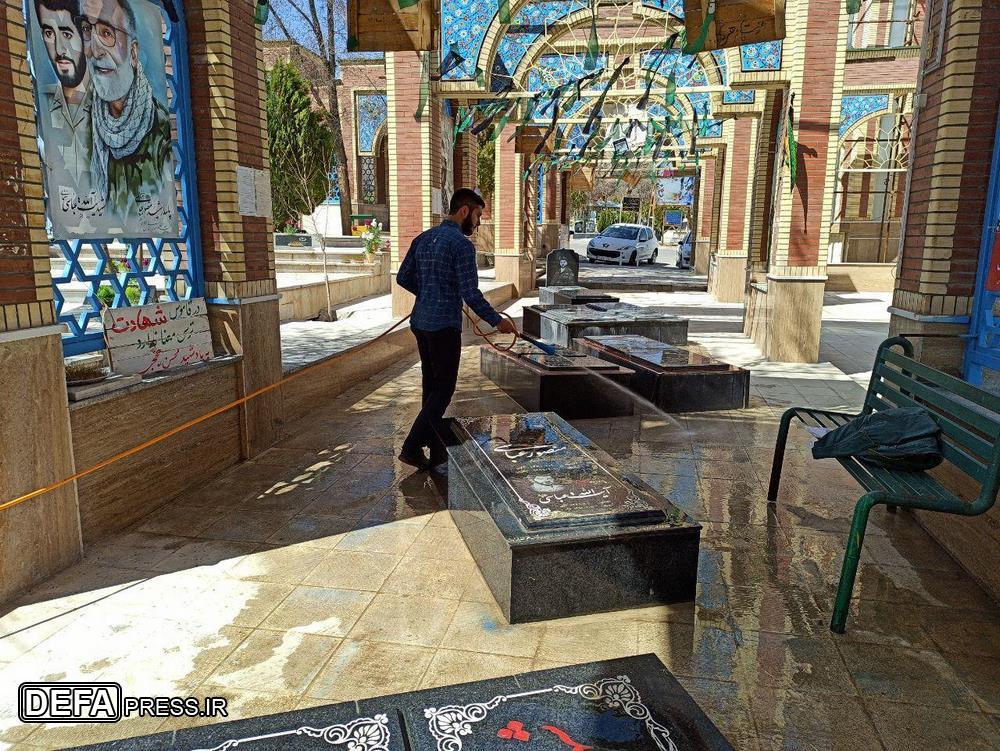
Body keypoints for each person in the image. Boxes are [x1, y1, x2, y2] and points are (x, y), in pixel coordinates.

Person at [396, 189, 518, 473]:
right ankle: (412, 446)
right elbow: (470, 293)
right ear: (464, 211)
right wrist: (497, 321)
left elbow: (403, 277)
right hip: (443, 327)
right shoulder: (461, 246)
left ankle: (433, 446)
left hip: (421, 323)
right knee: (444, 389)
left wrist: (428, 293)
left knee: (431, 387)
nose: (478, 223)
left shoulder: (423, 238)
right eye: (477, 216)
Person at [80, 0, 173, 227]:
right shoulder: (82, 124)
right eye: (87, 31)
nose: (95, 50)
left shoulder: (158, 130)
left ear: (133, 52)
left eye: (107, 33)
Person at [35, 0, 94, 226]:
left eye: (67, 34)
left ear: (84, 35)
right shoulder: (41, 106)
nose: (59, 49)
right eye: (49, 33)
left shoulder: (113, 109)